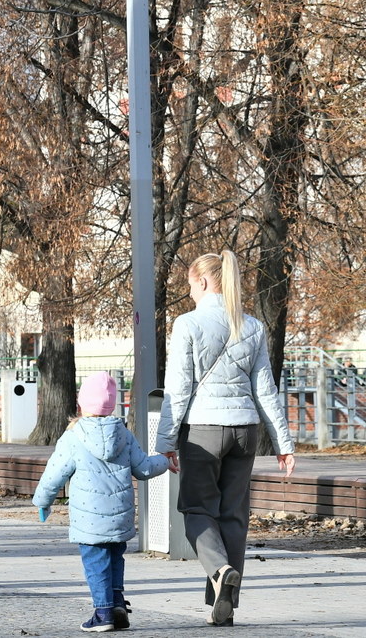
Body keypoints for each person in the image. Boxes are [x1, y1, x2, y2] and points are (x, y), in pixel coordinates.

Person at [155, 250, 296, 627]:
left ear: (202, 281)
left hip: (203, 430)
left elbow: (178, 389)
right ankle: (225, 606)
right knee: (233, 515)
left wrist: (165, 441)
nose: (189, 291)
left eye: (189, 283)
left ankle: (218, 571)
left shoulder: (188, 324)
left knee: (197, 510)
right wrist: (283, 443)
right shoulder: (251, 325)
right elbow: (266, 390)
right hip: (245, 432)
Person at [33, 372, 172, 632]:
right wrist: (165, 460)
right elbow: (143, 469)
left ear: (81, 403)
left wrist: (43, 501)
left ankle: (103, 612)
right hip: (119, 516)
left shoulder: (73, 437)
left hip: (89, 520)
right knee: (115, 557)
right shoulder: (124, 434)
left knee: (96, 562)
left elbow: (54, 474)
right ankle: (117, 604)